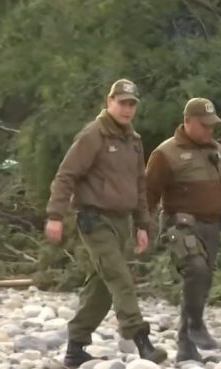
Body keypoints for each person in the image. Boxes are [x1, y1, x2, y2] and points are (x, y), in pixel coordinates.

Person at [44, 79, 167, 367]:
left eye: (132, 104)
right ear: (109, 101)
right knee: (120, 277)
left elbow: (139, 185)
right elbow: (66, 175)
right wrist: (55, 215)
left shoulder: (133, 141)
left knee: (101, 285)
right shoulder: (93, 135)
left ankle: (75, 347)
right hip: (94, 219)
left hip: (122, 222)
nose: (127, 109)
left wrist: (142, 225)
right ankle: (142, 341)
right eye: (122, 102)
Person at [145, 97, 221, 362]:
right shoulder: (166, 153)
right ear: (187, 122)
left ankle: (186, 344)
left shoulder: (219, 152)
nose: (209, 130)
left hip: (211, 226)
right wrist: (141, 226)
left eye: (212, 126)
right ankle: (196, 325)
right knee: (195, 269)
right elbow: (148, 193)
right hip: (181, 225)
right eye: (204, 125)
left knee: (201, 283)